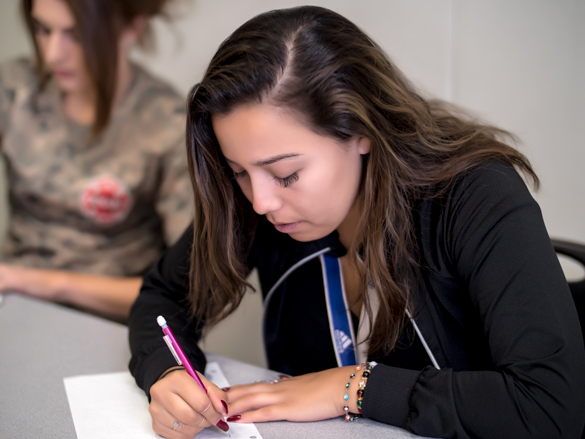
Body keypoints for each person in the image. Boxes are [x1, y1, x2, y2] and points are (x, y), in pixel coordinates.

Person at [128, 6, 585, 439]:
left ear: (362, 131)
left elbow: (548, 408)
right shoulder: (257, 202)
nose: (261, 202)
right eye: (239, 173)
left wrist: (353, 387)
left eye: (287, 174)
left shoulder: (476, 194)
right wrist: (166, 372)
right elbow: (164, 296)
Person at [0, 0, 192, 321]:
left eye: (75, 35)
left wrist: (50, 284)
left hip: (110, 324)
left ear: (132, 28)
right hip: (14, 304)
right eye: (42, 30)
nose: (51, 55)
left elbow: (190, 288)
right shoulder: (14, 90)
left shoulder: (167, 124)